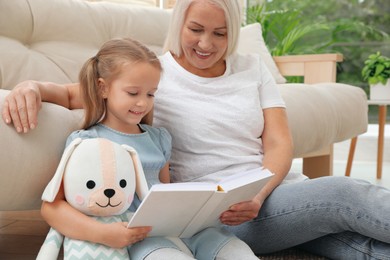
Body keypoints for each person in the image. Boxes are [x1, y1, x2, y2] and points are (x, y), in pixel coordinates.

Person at [2, 0, 390, 259]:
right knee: (344, 194)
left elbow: (277, 141)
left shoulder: (252, 68)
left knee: (351, 242)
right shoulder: (153, 74)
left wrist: (261, 193)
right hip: (223, 216)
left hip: (271, 195)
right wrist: (31, 87)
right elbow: (79, 93)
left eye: (219, 34)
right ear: (179, 24)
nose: (206, 44)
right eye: (196, 30)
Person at [34, 37, 258, 260]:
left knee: (235, 251)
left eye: (151, 94)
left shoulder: (159, 138)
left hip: (186, 229)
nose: (143, 103)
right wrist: (103, 234)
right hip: (141, 237)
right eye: (133, 93)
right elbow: (51, 207)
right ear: (103, 88)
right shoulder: (87, 142)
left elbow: (166, 191)